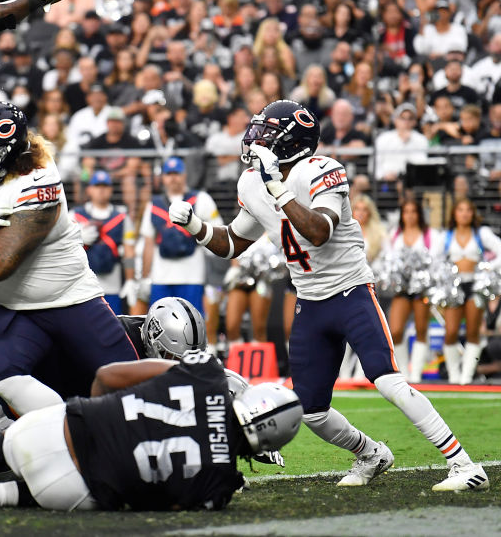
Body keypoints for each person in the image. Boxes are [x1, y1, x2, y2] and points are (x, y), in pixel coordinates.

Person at [170, 99, 489, 492]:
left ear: (291, 142)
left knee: (388, 381)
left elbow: (319, 230)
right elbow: (234, 243)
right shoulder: (251, 183)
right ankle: (372, 453)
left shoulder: (322, 169)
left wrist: (280, 190)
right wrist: (197, 226)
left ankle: (464, 464)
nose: (255, 140)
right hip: (310, 301)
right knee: (311, 409)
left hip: (351, 292)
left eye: (266, 134)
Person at [0, 353, 301, 512]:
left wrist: (107, 410)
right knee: (108, 487)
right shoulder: (218, 488)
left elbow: (108, 374)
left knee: (9, 441)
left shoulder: (204, 376)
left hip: (52, 433)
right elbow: (144, 502)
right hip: (68, 493)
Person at [0, 102, 139, 415]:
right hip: (13, 308)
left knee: (130, 387)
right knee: (3, 376)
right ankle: (60, 437)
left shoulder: (37, 179)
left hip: (71, 301)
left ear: (8, 155)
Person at [134, 156, 222, 318]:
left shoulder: (201, 199)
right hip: (161, 276)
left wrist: (215, 275)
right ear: (163, 178)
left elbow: (217, 234)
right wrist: (145, 278)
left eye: (177, 173)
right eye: (169, 174)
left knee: (193, 322)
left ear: (184, 175)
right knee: (160, 323)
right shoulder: (153, 205)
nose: (173, 178)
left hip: (192, 275)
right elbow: (148, 243)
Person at [435, 198, 501, 385]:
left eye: (468, 210)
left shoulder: (481, 233)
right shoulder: (446, 235)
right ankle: (454, 375)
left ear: (472, 213)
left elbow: (499, 249)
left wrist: (488, 267)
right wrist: (447, 271)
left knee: (473, 332)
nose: (464, 213)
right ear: (454, 214)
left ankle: (466, 375)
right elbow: (434, 258)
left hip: (475, 285)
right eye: (460, 210)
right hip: (454, 287)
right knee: (451, 331)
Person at [385, 196, 438, 382]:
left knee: (421, 329)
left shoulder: (430, 234)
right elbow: (388, 259)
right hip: (401, 289)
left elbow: (435, 261)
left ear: (419, 214)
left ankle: (415, 374)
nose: (410, 216)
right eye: (406, 212)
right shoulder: (395, 235)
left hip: (422, 289)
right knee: (396, 330)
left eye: (413, 212)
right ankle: (404, 373)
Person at [71, 171, 135, 314]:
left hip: (112, 285)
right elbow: (62, 248)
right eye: (97, 186)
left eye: (105, 186)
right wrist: (77, 238)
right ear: (89, 189)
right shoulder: (75, 215)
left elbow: (129, 252)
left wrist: (131, 280)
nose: (101, 190)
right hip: (83, 287)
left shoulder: (122, 217)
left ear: (111, 189)